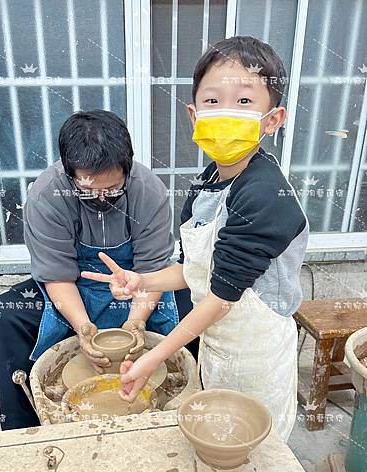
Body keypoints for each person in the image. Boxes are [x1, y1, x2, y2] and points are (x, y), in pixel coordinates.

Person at [82, 37, 310, 442]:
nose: (225, 112)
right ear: (194, 114)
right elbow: (196, 272)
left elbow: (223, 296)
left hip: (256, 351)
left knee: (256, 447)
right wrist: (142, 281)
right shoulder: (208, 181)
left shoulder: (263, 195)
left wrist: (153, 357)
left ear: (272, 119)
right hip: (218, 342)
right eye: (212, 100)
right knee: (217, 436)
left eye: (243, 101)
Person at [0, 109, 196, 430]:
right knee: (2, 317)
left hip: (134, 285)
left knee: (201, 304)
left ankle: (181, 415)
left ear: (127, 167)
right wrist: (84, 329)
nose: (101, 199)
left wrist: (136, 322)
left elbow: (153, 269)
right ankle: (25, 433)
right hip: (73, 286)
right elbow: (56, 275)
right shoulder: (46, 195)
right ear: (69, 174)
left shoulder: (148, 189)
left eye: (112, 190)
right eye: (88, 190)